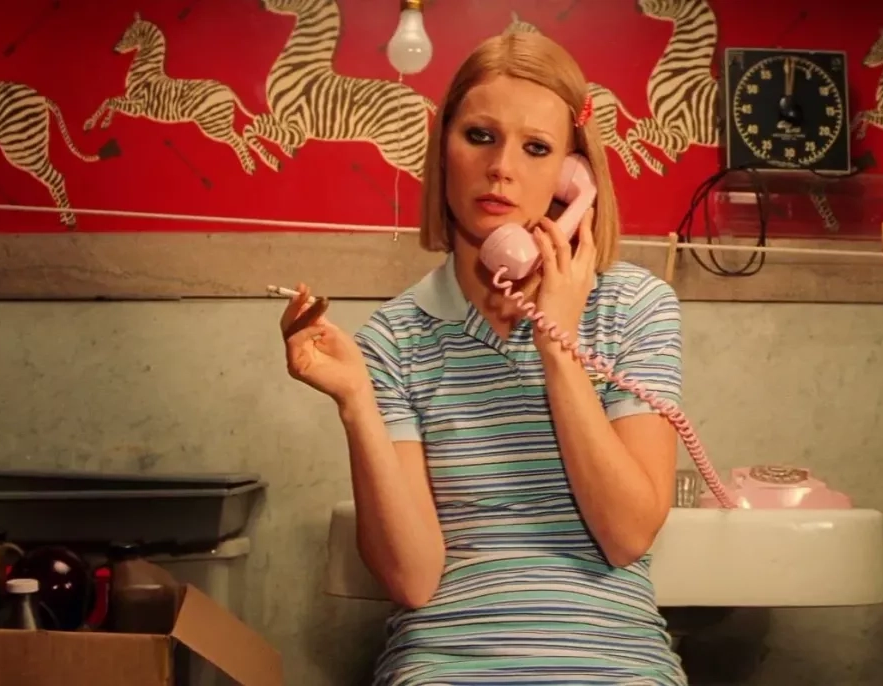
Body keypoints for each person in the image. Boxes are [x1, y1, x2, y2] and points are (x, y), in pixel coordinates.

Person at [279, 30, 688, 685]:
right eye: (480, 136)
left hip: (616, 666)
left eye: (536, 148)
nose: (501, 167)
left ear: (573, 177)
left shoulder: (635, 306)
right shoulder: (392, 339)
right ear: (444, 147)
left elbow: (627, 534)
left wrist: (558, 343)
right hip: (446, 666)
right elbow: (413, 579)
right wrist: (357, 403)